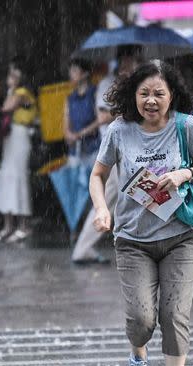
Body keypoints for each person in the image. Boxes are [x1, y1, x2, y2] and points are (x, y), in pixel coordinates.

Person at [90, 61, 193, 366]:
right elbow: (97, 175)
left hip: (180, 236)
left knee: (174, 316)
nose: (151, 101)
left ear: (172, 95)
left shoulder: (186, 126)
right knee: (142, 320)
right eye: (144, 93)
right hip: (133, 240)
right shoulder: (119, 130)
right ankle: (138, 352)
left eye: (159, 93)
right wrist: (102, 209)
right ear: (133, 95)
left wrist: (183, 174)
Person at [71, 46, 141, 265]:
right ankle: (83, 248)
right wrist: (131, 109)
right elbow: (102, 116)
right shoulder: (106, 83)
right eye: (131, 60)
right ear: (123, 61)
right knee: (129, 195)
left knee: (140, 195)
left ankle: (146, 243)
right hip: (114, 152)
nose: (133, 65)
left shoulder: (137, 83)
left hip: (134, 150)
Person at [0, 57, 38, 243]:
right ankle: (8, 226)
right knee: (6, 177)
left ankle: (23, 225)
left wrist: (10, 91)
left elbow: (7, 107)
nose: (10, 77)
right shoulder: (13, 91)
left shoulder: (22, 92)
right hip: (10, 139)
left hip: (20, 136)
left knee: (19, 178)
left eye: (14, 73)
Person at [63, 58, 100, 162]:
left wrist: (80, 134)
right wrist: (68, 135)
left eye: (74, 70)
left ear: (85, 73)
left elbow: (100, 119)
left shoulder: (95, 93)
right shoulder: (70, 98)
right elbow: (66, 121)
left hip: (94, 148)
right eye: (70, 71)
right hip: (75, 149)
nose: (71, 74)